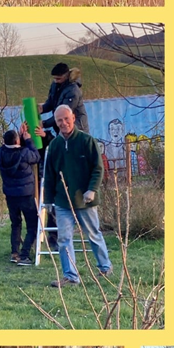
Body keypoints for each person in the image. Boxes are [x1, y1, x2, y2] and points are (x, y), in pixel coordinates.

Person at [42, 105, 112, 288]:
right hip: (62, 201)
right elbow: (49, 174)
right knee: (64, 238)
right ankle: (71, 276)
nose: (63, 123)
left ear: (73, 118)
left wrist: (92, 189)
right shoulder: (54, 146)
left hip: (85, 199)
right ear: (56, 123)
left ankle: (105, 267)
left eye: (66, 119)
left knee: (93, 234)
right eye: (59, 121)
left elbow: (98, 168)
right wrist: (48, 200)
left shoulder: (87, 141)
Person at [0, 124, 40, 265]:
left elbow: (10, 147)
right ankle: (25, 254)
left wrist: (20, 137)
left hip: (10, 195)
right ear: (17, 142)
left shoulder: (0, 153)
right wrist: (28, 141)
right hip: (26, 194)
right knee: (32, 225)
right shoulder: (24, 153)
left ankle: (14, 252)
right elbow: (36, 157)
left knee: (16, 223)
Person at [39, 62, 89, 134]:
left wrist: (44, 124)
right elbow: (51, 102)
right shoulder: (55, 85)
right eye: (54, 78)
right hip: (63, 127)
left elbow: (63, 113)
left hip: (77, 128)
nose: (56, 81)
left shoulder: (73, 90)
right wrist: (42, 108)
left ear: (66, 76)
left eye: (58, 79)